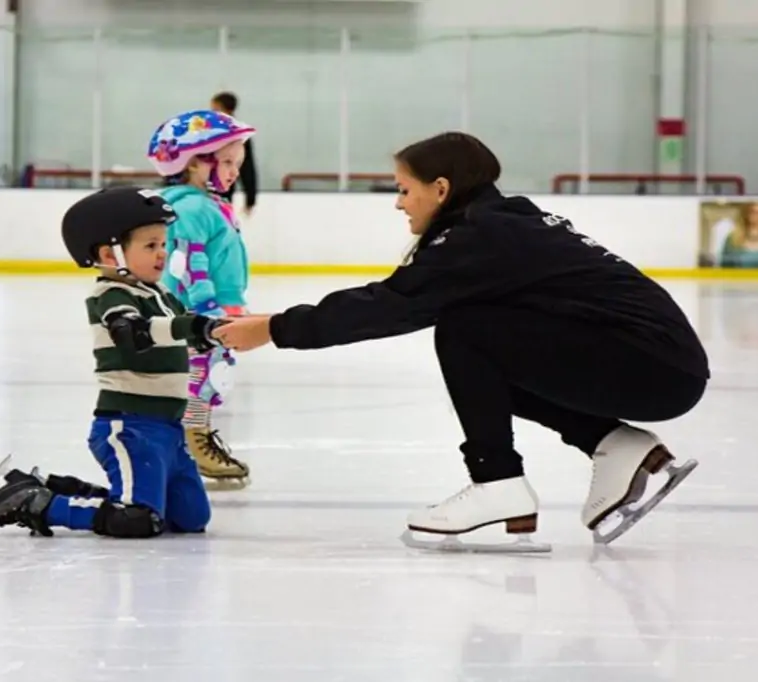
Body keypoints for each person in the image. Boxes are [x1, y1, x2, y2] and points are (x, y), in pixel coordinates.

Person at [211, 132, 709, 550]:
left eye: (405, 190)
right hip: (659, 362)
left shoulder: (480, 237)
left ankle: (497, 481)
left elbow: (390, 304)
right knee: (486, 354)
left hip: (653, 365)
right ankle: (612, 442)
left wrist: (275, 329)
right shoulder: (503, 221)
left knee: (465, 329)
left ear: (441, 188)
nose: (398, 203)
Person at [0, 186, 228, 538]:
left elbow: (187, 330)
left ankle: (55, 487)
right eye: (150, 246)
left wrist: (221, 330)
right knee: (138, 520)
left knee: (190, 519)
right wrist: (191, 326)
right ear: (109, 253)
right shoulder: (111, 295)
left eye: (164, 244)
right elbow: (132, 332)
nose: (162, 254)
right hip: (130, 427)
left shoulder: (161, 296)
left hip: (169, 429)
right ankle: (33, 501)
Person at [146, 109, 256, 489]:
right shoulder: (191, 207)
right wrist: (207, 310)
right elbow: (189, 263)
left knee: (209, 373)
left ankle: (193, 437)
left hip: (218, 306)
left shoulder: (207, 204)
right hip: (201, 309)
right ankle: (194, 440)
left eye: (237, 164)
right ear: (193, 164)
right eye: (227, 162)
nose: (234, 171)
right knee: (203, 374)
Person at [209, 92, 258, 216]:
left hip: (222, 191)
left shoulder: (238, 135)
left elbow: (247, 168)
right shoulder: (208, 132)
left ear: (226, 110)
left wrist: (250, 198)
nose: (212, 113)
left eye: (215, 109)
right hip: (207, 190)